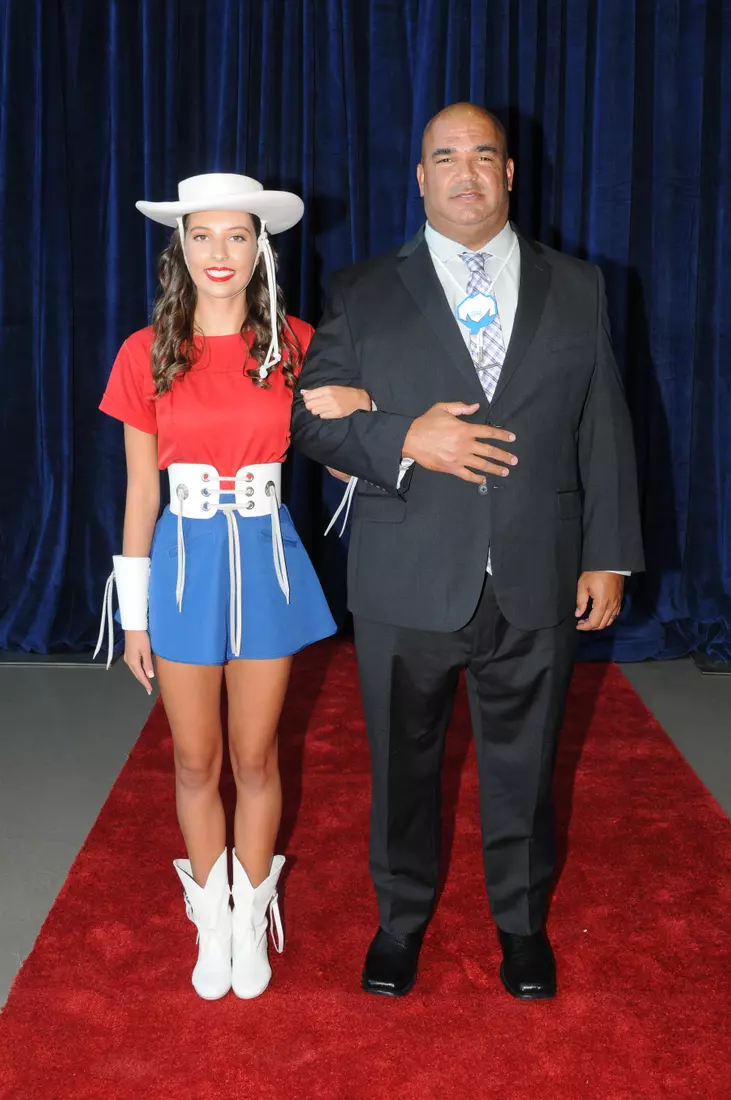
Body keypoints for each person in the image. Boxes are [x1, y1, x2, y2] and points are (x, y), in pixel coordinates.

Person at [292, 104, 644, 1000]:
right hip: (406, 573)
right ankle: (398, 922)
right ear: (418, 177)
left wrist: (607, 554)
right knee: (401, 767)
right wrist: (407, 438)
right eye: (443, 156)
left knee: (524, 766)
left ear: (509, 173)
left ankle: (521, 926)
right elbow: (309, 422)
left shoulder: (580, 286)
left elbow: (602, 427)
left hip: (538, 571)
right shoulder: (362, 289)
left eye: (481, 155)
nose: (463, 172)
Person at [94, 173, 361, 1001]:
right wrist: (132, 620)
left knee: (255, 755)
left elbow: (344, 454)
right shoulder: (145, 352)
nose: (220, 252)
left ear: (259, 249)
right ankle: (211, 918)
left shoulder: (295, 343)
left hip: (269, 564)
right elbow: (142, 492)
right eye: (202, 236)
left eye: (237, 236)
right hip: (181, 571)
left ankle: (252, 918)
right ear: (180, 248)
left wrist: (367, 411)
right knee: (194, 758)